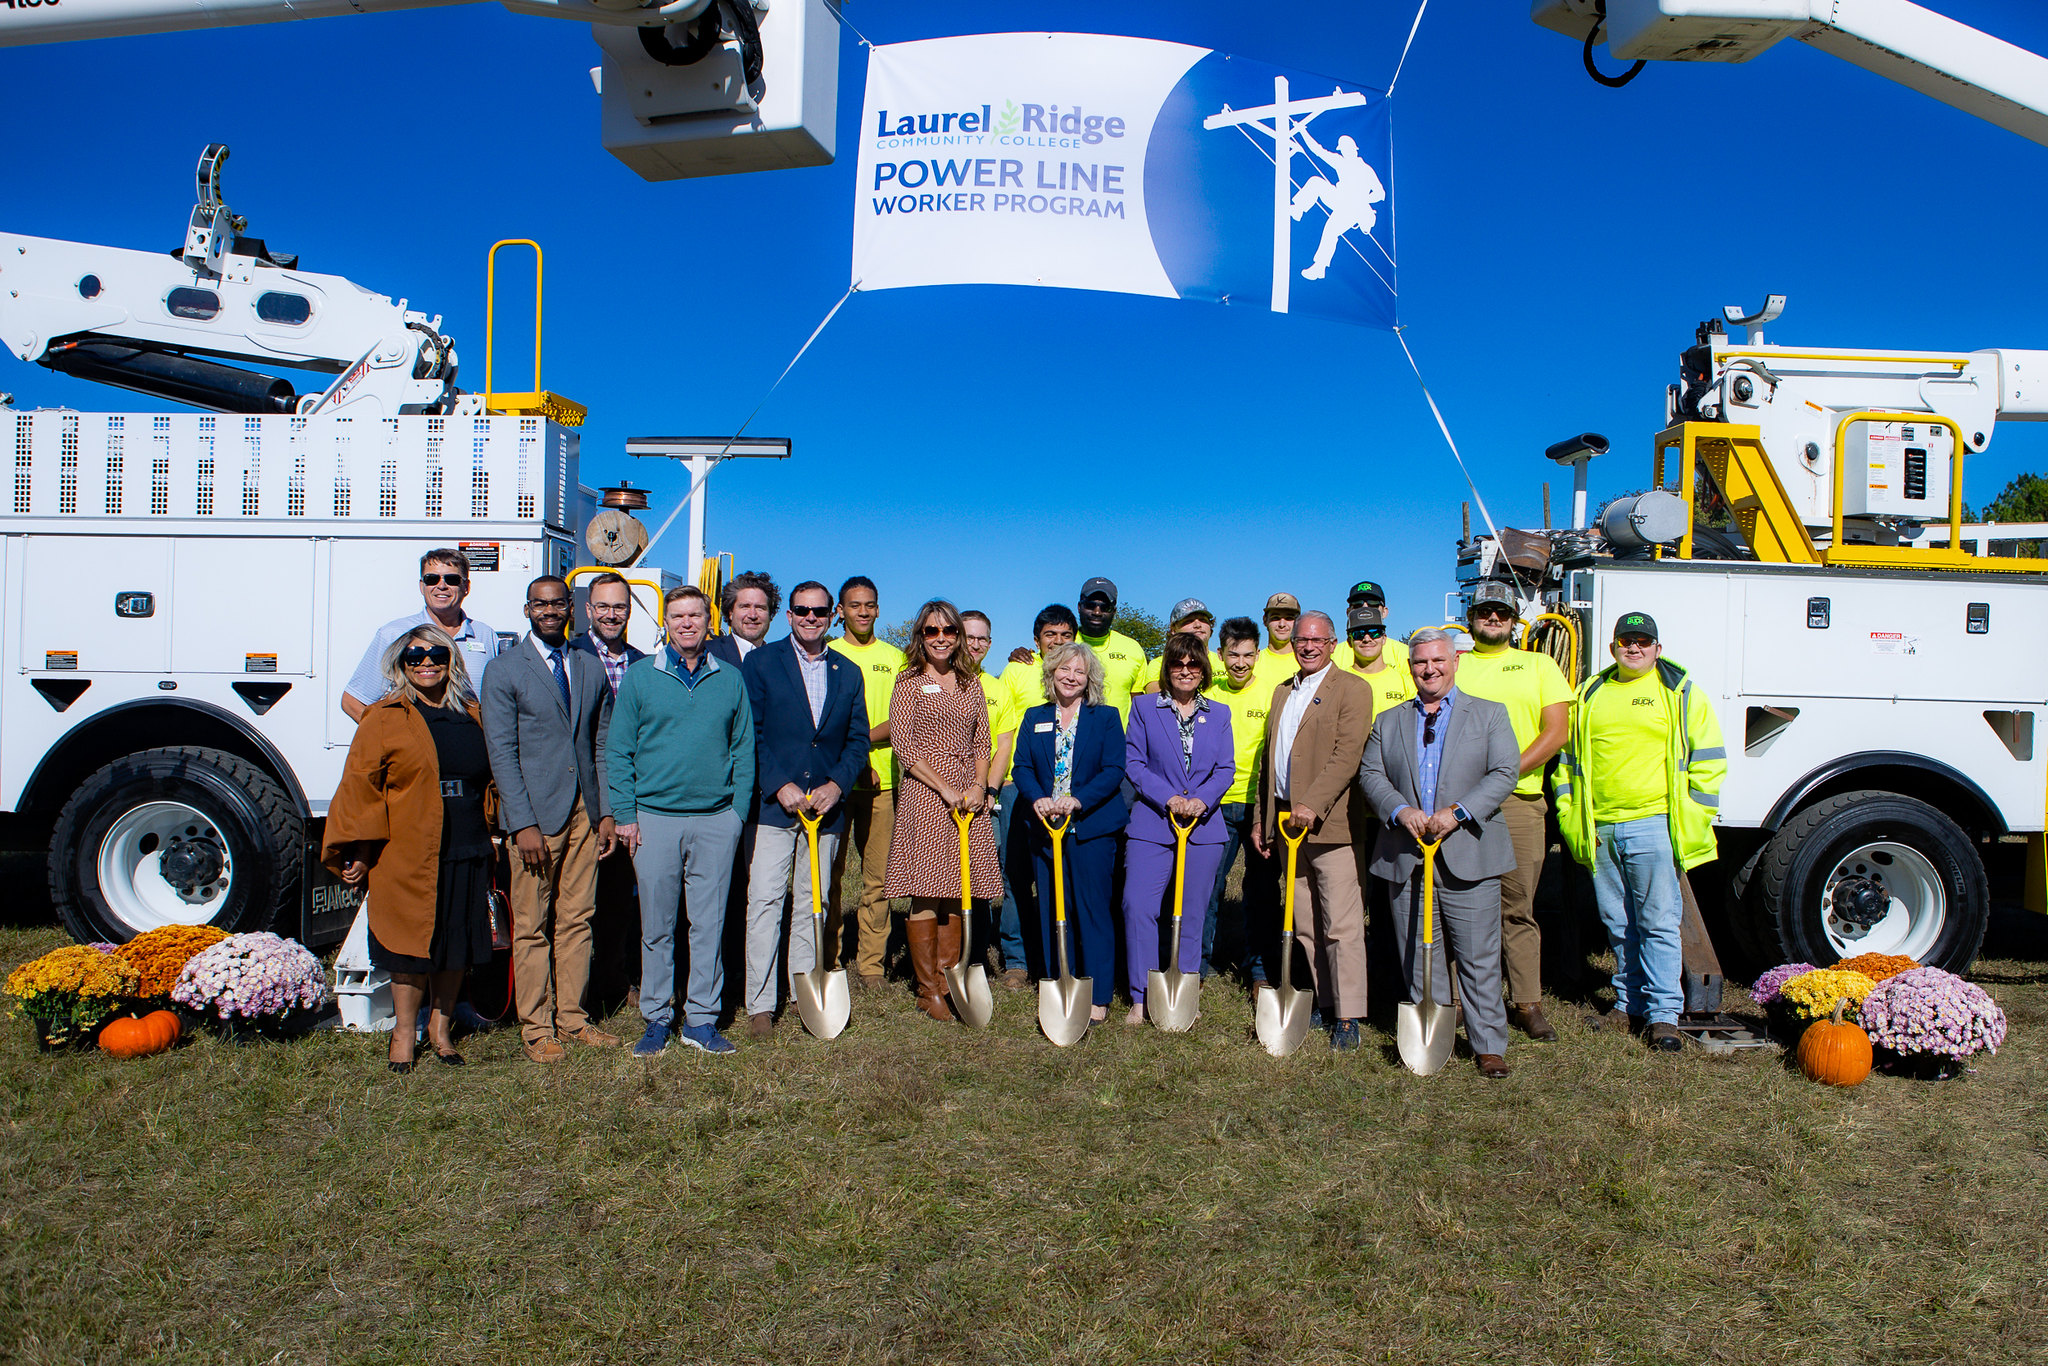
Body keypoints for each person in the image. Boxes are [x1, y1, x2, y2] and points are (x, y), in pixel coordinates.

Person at [1553, 612, 1726, 1054]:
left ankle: (1663, 1013)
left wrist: (1693, 815)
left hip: (1654, 824)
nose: (1634, 648)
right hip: (1601, 827)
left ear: (1657, 649)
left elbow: (1709, 758)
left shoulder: (1680, 692)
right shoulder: (1590, 692)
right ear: (1612, 648)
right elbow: (1569, 764)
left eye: (1643, 642)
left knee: (1658, 922)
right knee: (1617, 921)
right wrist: (1572, 815)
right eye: (1626, 641)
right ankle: (1629, 1003)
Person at [323, 626, 494, 1072]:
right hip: (409, 844)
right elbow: (361, 787)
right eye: (414, 656)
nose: (426, 663)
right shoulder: (384, 715)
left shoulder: (473, 713)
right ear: (400, 664)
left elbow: (493, 776)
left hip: (467, 838)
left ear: (451, 660)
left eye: (436, 654)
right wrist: (358, 850)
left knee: (456, 938)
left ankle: (440, 1030)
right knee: (409, 945)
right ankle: (404, 1031)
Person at [1358, 628, 1523, 1079]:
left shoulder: (1488, 714)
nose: (1428, 669)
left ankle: (1488, 1044)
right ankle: (1433, 1032)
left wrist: (1459, 812)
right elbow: (1371, 774)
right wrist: (1399, 810)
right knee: (1417, 953)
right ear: (1409, 666)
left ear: (1454, 662)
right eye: (1419, 662)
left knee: (1478, 955)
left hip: (1468, 852)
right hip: (1407, 854)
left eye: (1437, 661)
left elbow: (1505, 771)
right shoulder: (1389, 720)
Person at [608, 585, 754, 1057]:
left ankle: (701, 1019)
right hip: (654, 820)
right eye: (677, 616)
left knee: (708, 923)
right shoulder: (639, 678)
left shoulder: (729, 679)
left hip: (715, 819)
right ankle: (656, 1017)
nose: (686, 623)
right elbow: (619, 751)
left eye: (695, 615)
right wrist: (626, 816)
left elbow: (744, 749)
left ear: (709, 621)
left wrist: (736, 815)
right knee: (658, 924)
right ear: (665, 624)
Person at [479, 576, 620, 1064]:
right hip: (535, 816)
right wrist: (522, 822)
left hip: (584, 811)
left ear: (571, 609)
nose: (549, 611)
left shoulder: (588, 665)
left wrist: (604, 812)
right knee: (532, 923)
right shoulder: (504, 670)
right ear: (527, 610)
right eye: (540, 604)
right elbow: (501, 752)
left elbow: (600, 745)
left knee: (578, 919)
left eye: (557, 603)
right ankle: (537, 1027)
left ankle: (574, 1019)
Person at [739, 582, 870, 1040]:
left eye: (818, 611)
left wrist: (837, 785)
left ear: (832, 615)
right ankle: (759, 1003)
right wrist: (779, 784)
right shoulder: (761, 663)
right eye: (801, 611)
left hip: (826, 810)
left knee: (812, 904)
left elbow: (856, 741)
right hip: (776, 809)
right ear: (789, 615)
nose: (810, 618)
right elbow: (750, 734)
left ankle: (801, 992)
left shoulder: (848, 672)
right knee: (765, 902)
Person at [1453, 581, 1574, 1042]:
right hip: (1461, 804)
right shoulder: (1456, 667)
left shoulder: (1540, 665)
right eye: (1485, 611)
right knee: (1460, 902)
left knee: (1518, 906)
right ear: (1472, 617)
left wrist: (1503, 774)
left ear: (1514, 619)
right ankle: (1460, 1000)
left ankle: (1526, 1002)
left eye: (1502, 612)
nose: (1494, 619)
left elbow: (1555, 732)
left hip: (1520, 802)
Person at [1251, 610, 1373, 1050]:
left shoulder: (1353, 689)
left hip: (1330, 822)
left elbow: (1347, 755)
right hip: (1285, 822)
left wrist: (1310, 804)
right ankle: (1323, 1002)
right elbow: (1271, 759)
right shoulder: (1284, 690)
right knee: (1304, 920)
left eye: (1317, 640)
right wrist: (1263, 817)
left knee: (1341, 923)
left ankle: (1349, 1014)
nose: (1307, 646)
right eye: (1302, 639)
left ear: (1333, 644)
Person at [880, 599, 1001, 1022]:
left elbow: (983, 741)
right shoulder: (909, 682)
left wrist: (976, 785)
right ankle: (926, 989)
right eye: (932, 631)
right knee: (926, 889)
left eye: (948, 631)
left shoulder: (971, 683)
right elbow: (905, 745)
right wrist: (947, 789)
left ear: (959, 637)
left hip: (967, 794)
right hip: (926, 793)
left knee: (958, 888)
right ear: (921, 636)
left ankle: (951, 978)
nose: (941, 639)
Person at [1121, 634, 1234, 1024]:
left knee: (1191, 911)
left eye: (1193, 664)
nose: (1186, 671)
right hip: (1153, 823)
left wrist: (1202, 800)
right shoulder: (1144, 709)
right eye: (1177, 664)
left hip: (1202, 827)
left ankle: (1184, 993)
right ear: (1167, 668)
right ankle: (1141, 996)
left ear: (1203, 669)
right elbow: (1134, 764)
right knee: (1139, 906)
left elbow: (1225, 769)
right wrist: (1169, 798)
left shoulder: (1219, 714)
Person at [1014, 642, 1127, 1025]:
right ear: (1051, 673)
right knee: (1053, 907)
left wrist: (1077, 800)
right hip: (1046, 828)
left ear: (1089, 678)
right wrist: (1038, 799)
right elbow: (1022, 767)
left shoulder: (1106, 717)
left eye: (1080, 672)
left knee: (1092, 909)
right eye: (1064, 669)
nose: (1071, 677)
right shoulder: (1035, 717)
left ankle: (1097, 994)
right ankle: (1058, 980)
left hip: (1091, 827)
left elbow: (1114, 770)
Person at [826, 576, 906, 989]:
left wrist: (861, 743)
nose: (862, 611)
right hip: (833, 783)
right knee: (829, 876)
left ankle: (871, 964)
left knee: (878, 879)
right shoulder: (825, 653)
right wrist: (853, 760)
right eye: (853, 605)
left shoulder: (894, 659)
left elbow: (902, 718)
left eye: (869, 605)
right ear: (840, 610)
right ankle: (829, 958)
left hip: (884, 784)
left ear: (877, 609)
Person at [994, 605, 1079, 985]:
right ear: (1036, 640)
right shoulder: (1017, 670)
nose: (1057, 642)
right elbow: (1004, 728)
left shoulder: (1080, 673)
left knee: (1060, 874)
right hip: (1019, 788)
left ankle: (1055, 954)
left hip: (1067, 793)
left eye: (1064, 635)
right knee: (1016, 873)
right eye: (1050, 635)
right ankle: (1016, 958)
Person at [1204, 616, 1277, 986]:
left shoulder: (1272, 693)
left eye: (1248, 655)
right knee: (1208, 886)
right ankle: (1196, 965)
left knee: (1261, 890)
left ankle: (1260, 970)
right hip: (1215, 806)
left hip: (1259, 806)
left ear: (1258, 654)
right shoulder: (1208, 693)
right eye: (1233, 654)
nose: (1240, 663)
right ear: (1220, 654)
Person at [341, 549, 500, 720]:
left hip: (471, 743)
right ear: (421, 586)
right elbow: (352, 701)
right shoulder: (394, 634)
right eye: (432, 579)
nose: (442, 585)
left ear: (466, 587)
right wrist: (389, 739)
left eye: (452, 579)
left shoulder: (485, 635)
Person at [961, 610, 1020, 973]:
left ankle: (979, 954)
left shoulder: (997, 688)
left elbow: (1003, 743)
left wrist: (989, 790)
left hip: (985, 796)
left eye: (983, 638)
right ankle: (954, 953)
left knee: (984, 874)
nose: (976, 644)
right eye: (970, 636)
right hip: (945, 794)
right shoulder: (943, 681)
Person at [1076, 576, 1150, 721]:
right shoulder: (1063, 643)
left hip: (1117, 741)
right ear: (1079, 607)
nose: (1097, 612)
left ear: (1114, 611)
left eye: (1105, 607)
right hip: (1068, 742)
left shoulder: (1132, 648)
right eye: (1091, 605)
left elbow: (1139, 705)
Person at [572, 571, 646, 699]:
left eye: (619, 607)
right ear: (589, 610)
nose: (611, 615)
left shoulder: (642, 662)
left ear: (629, 611)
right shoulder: (570, 656)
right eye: (602, 607)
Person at [1336, 600, 1416, 717]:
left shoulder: (1407, 684)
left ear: (1384, 638)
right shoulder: (1336, 684)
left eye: (1374, 632)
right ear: (1349, 641)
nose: (1367, 638)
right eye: (1359, 633)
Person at [1136, 598, 1224, 694]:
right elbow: (1156, 700)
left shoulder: (1225, 662)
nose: (1198, 625)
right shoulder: (1158, 664)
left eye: (1203, 620)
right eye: (1189, 621)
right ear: (1173, 629)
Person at [709, 569, 778, 665]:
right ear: (730, 613)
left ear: (770, 614)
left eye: (760, 608)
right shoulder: (708, 654)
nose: (752, 615)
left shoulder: (781, 661)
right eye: (745, 607)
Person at [1346, 581, 1410, 676]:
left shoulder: (1405, 653)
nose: (1365, 608)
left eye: (1373, 604)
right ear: (1348, 612)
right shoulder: (1333, 654)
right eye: (1357, 604)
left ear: (1384, 612)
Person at [1252, 592, 1303, 699]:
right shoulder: (1252, 661)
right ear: (1265, 620)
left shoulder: (1306, 662)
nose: (1282, 624)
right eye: (1276, 618)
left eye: (1289, 618)